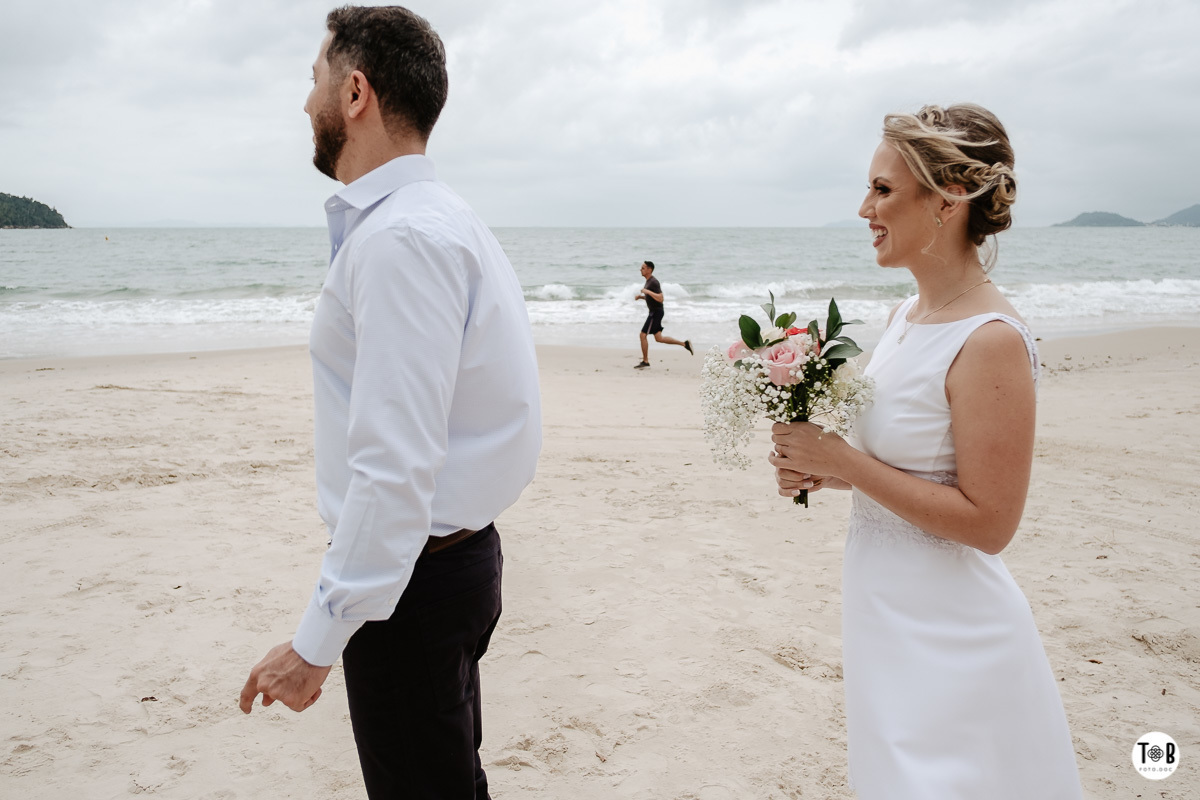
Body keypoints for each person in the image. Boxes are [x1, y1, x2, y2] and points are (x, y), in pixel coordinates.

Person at [237, 7, 541, 799]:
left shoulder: (402, 239)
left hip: (417, 584)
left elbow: (394, 465)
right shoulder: (435, 221)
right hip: (449, 563)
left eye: (315, 81)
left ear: (356, 93)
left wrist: (316, 641)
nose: (307, 103)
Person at [768, 104, 1082, 799]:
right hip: (884, 614)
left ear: (946, 201)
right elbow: (918, 471)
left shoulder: (992, 339)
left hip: (953, 637)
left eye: (882, 190)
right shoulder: (902, 318)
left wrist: (845, 460)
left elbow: (991, 523)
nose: (863, 209)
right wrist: (828, 470)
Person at [633, 260, 692, 368]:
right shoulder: (649, 282)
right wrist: (641, 297)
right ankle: (684, 344)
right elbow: (652, 297)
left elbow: (660, 298)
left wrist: (647, 292)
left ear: (649, 270)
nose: (640, 270)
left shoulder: (653, 282)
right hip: (656, 312)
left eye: (643, 268)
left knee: (642, 335)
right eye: (641, 268)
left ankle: (645, 361)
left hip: (655, 312)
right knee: (659, 338)